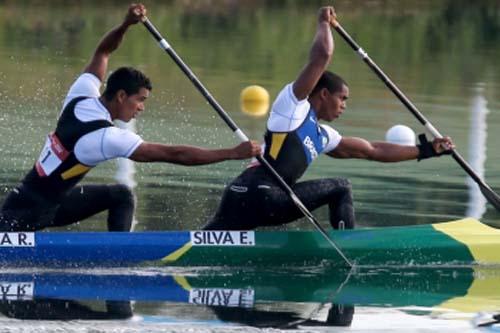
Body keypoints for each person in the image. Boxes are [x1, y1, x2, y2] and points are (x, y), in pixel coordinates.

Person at [0, 3, 261, 232]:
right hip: (25, 215)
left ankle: (118, 256)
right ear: (122, 96)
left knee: (121, 195)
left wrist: (126, 24)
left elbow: (103, 51)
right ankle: (122, 261)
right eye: (140, 100)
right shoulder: (106, 137)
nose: (141, 108)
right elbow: (174, 155)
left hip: (45, 202)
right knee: (121, 195)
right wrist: (231, 153)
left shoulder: (81, 95)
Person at [204, 6, 454, 231]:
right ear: (323, 94)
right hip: (265, 195)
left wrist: (428, 149)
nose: (344, 105)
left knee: (199, 247)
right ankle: (348, 245)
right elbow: (321, 56)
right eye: (342, 98)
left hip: (237, 195)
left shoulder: (324, 136)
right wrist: (323, 22)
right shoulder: (292, 108)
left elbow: (373, 150)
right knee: (341, 187)